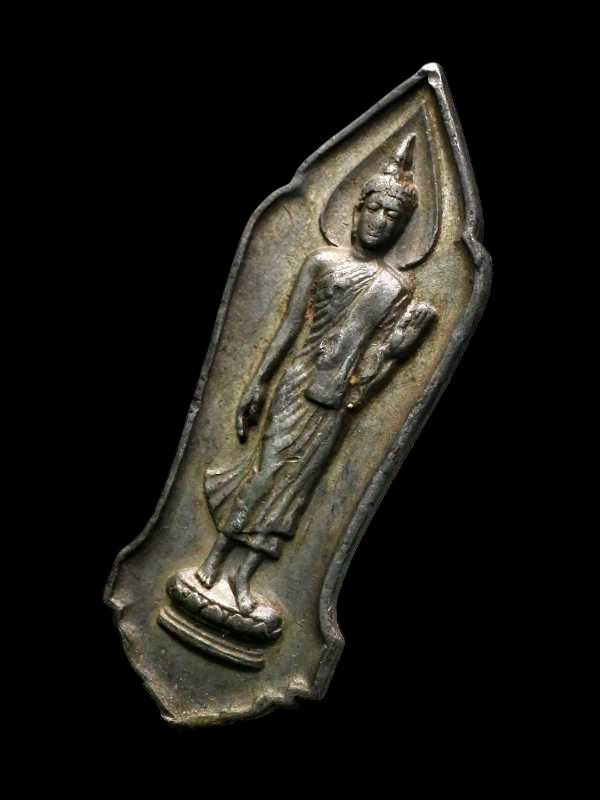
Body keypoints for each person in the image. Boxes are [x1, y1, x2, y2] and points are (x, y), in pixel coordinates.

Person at [197, 133, 437, 616]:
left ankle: (244, 578)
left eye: (392, 216)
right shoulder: (322, 263)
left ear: (402, 226)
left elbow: (375, 360)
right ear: (357, 210)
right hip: (297, 386)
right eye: (374, 209)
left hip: (334, 401)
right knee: (267, 472)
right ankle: (214, 559)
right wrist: (257, 383)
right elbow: (288, 329)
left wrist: (397, 351)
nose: (380, 221)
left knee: (296, 489)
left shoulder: (395, 288)